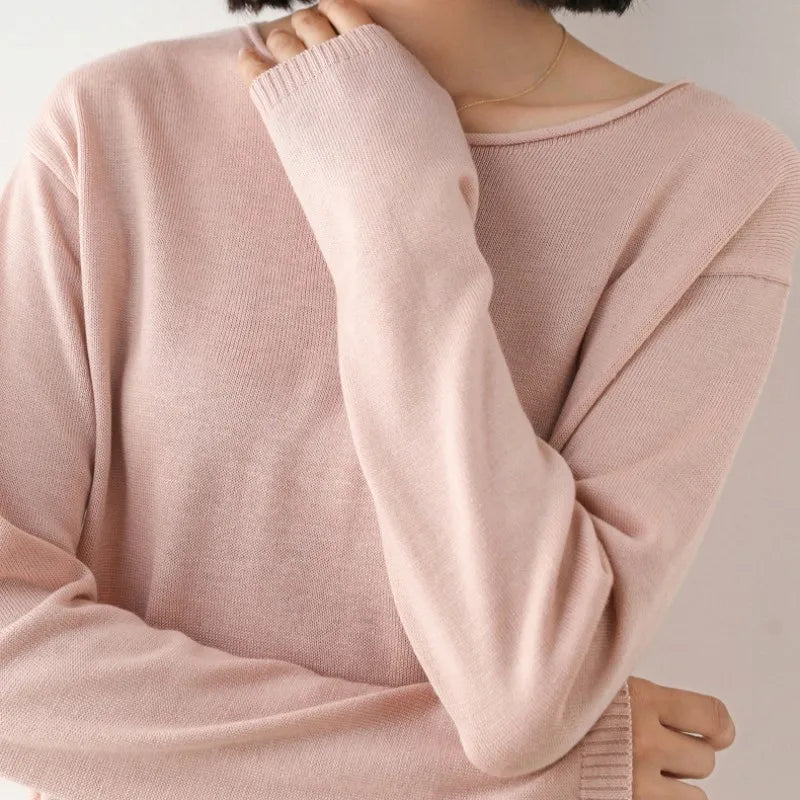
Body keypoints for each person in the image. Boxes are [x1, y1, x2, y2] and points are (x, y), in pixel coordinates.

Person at [1, 0, 795, 798]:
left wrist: (388, 195)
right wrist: (502, 783)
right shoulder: (117, 123)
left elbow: (521, 697)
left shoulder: (714, 180)